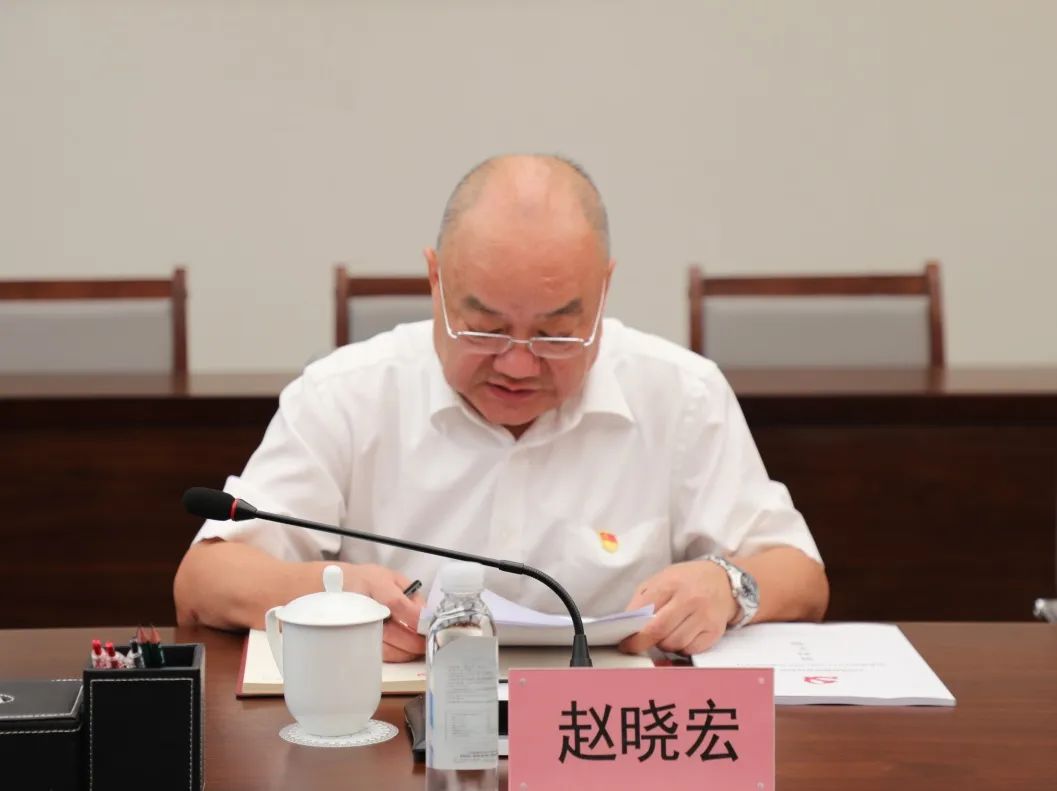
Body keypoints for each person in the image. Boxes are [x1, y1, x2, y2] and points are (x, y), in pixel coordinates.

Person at [174, 154, 828, 662]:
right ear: (435, 280)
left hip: (606, 743)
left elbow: (799, 574)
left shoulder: (681, 394)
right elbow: (204, 580)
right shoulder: (346, 394)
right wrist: (327, 592)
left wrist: (727, 585)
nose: (517, 364)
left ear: (603, 291)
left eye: (555, 334)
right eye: (484, 329)